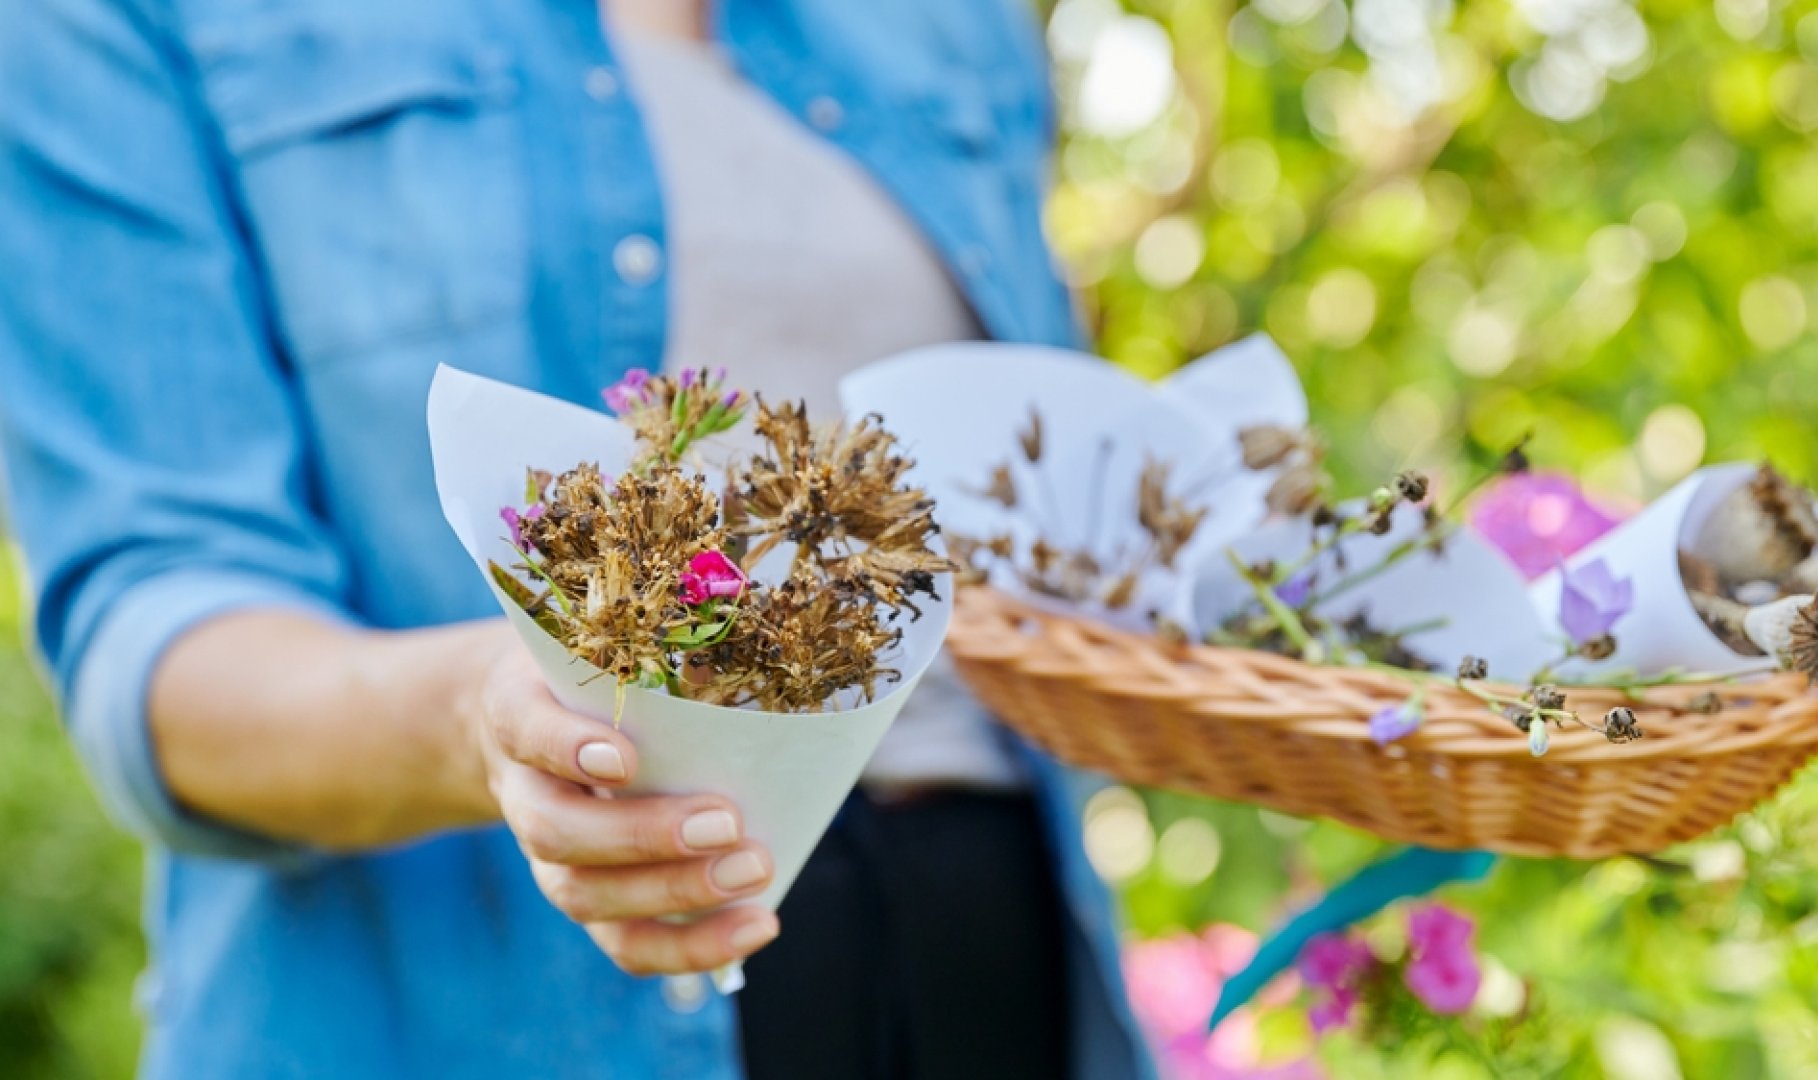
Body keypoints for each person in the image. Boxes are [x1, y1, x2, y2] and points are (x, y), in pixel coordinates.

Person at [0, 1, 1154, 1077]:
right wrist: (484, 713)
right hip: (479, 1010)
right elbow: (161, 640)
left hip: (992, 950)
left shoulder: (948, 25)